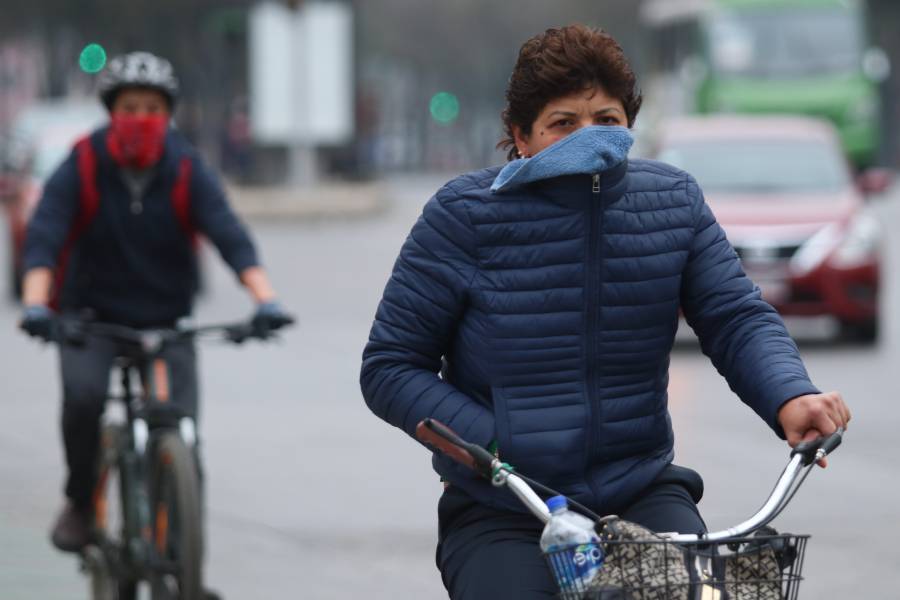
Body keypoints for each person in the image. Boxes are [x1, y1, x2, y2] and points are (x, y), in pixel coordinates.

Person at [360, 25, 850, 599]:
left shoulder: (673, 201)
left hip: (640, 491)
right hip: (505, 507)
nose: (588, 137)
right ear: (521, 136)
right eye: (563, 123)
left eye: (607, 120)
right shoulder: (462, 217)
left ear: (629, 124)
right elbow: (390, 366)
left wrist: (789, 394)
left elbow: (735, 316)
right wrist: (492, 446)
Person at [18, 51, 293, 553]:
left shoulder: (185, 166)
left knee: (182, 428)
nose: (141, 119)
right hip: (92, 318)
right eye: (130, 107)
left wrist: (266, 300)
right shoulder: (83, 162)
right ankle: (81, 502)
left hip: (167, 319)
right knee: (82, 401)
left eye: (152, 108)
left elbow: (229, 234)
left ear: (167, 114)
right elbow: (45, 235)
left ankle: (186, 554)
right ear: (111, 112)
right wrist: (36, 305)